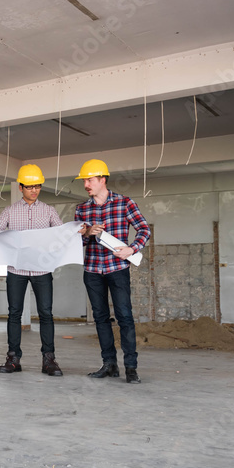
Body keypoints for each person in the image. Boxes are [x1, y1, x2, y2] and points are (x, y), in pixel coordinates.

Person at [74, 159, 151, 384]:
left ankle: (131, 367)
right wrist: (86, 233)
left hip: (117, 268)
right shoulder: (82, 209)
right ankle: (109, 364)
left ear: (102, 180)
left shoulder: (124, 203)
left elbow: (144, 229)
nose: (86, 184)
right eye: (85, 181)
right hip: (92, 270)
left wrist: (131, 249)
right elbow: (76, 243)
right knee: (100, 318)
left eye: (90, 180)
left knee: (125, 317)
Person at [0, 164, 64, 376]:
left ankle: (49, 359)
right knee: (14, 313)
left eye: (38, 186)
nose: (34, 190)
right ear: (21, 187)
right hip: (17, 270)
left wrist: (73, 231)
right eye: (30, 186)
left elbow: (60, 235)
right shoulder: (9, 211)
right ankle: (13, 358)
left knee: (46, 313)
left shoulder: (49, 211)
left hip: (42, 270)